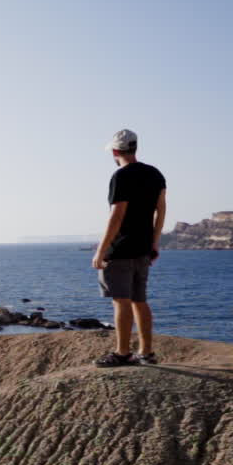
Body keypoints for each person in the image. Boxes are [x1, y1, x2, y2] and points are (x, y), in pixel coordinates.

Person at [92, 129, 166, 367]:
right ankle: (146, 352)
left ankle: (123, 353)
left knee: (121, 300)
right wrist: (154, 242)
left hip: (121, 248)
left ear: (115, 151)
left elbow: (118, 214)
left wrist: (101, 250)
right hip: (143, 247)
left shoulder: (121, 176)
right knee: (139, 300)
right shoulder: (155, 174)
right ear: (135, 148)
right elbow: (161, 210)